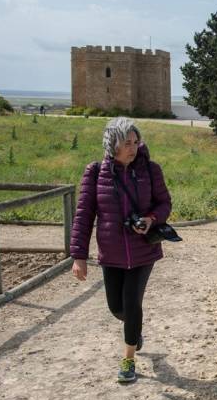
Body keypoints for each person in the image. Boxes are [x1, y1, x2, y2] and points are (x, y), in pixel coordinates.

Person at [70, 117, 172, 383]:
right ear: (112, 143)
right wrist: (79, 256)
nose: (133, 147)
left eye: (135, 142)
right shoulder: (95, 173)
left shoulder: (151, 170)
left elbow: (164, 204)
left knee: (132, 301)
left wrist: (151, 219)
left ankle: (128, 360)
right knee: (116, 308)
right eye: (126, 143)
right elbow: (83, 215)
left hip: (143, 252)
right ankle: (134, 329)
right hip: (112, 254)